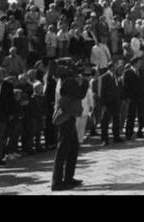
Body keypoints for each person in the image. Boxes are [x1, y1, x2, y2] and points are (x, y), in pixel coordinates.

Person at [50, 58, 88, 191]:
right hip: (67, 116)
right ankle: (57, 182)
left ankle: (68, 178)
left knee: (72, 148)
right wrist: (85, 83)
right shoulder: (68, 80)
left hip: (68, 115)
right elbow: (80, 94)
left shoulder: (62, 80)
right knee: (63, 150)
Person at [98, 61, 123, 145]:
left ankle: (116, 136)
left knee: (116, 120)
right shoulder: (104, 77)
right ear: (111, 67)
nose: (117, 67)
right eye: (116, 66)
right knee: (105, 121)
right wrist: (103, 104)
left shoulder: (116, 76)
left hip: (116, 102)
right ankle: (104, 139)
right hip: (107, 102)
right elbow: (101, 92)